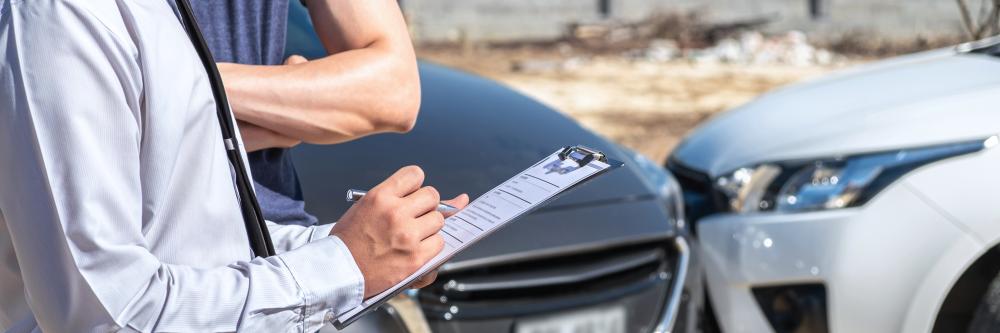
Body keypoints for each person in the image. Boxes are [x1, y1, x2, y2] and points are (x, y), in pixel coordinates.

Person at [0, 0, 467, 331]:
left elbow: (195, 246)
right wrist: (344, 263)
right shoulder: (62, 17)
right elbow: (109, 315)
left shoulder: (163, 16)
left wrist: (377, 245)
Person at [191, 0, 422, 227]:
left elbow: (396, 90)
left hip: (274, 237)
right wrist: (283, 105)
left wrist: (197, 86)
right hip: (166, 244)